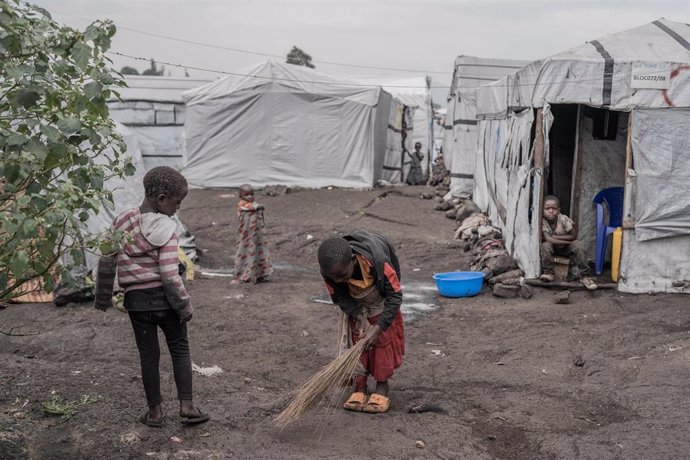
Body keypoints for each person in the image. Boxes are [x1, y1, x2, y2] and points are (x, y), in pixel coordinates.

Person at [94, 166, 209, 427]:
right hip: (166, 301)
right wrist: (184, 305)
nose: (177, 209)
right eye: (177, 203)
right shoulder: (167, 228)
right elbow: (169, 275)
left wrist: (102, 298)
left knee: (149, 356)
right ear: (161, 199)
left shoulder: (121, 222)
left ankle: (155, 413)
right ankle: (187, 406)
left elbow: (106, 260)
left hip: (137, 303)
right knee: (179, 349)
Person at [317, 229, 404, 414]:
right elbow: (340, 297)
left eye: (342, 275)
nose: (339, 280)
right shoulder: (330, 271)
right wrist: (361, 320)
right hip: (356, 310)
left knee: (381, 346)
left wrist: (378, 328)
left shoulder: (378, 263)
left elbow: (395, 297)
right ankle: (360, 388)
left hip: (381, 305)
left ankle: (382, 387)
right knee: (357, 347)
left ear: (354, 260)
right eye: (334, 278)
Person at [540, 195, 597, 290]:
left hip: (565, 247)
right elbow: (548, 239)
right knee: (545, 245)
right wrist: (565, 241)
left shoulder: (563, 219)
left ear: (558, 210)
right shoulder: (542, 221)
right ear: (542, 210)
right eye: (547, 208)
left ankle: (585, 276)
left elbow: (573, 236)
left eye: (554, 208)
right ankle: (548, 273)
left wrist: (558, 238)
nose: (551, 211)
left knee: (578, 245)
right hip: (552, 248)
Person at [231, 184, 273, 284]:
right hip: (246, 237)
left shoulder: (255, 206)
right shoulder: (243, 205)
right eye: (246, 195)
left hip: (256, 236)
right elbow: (250, 207)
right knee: (244, 253)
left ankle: (260, 274)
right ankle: (240, 275)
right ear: (240, 196)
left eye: (252, 194)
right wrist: (259, 207)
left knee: (259, 252)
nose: (250, 197)